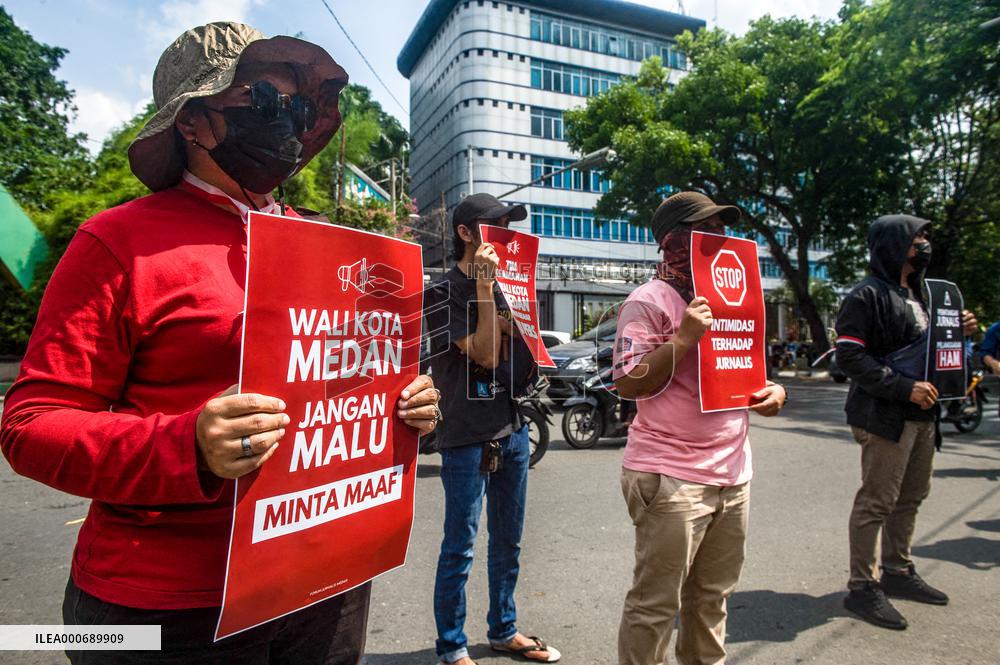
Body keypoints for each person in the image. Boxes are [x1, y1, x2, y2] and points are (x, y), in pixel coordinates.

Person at [0, 22, 440, 664]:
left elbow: (340, 386)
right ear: (192, 123)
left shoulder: (327, 249)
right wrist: (188, 445)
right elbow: (30, 425)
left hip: (323, 581)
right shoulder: (118, 243)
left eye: (300, 101)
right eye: (263, 96)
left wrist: (402, 405)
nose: (289, 114)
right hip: (165, 608)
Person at [612, 191, 787, 665]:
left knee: (712, 599)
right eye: (704, 230)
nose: (719, 239)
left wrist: (773, 392)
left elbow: (746, 373)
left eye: (721, 229)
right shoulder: (648, 301)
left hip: (734, 475)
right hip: (671, 476)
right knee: (656, 606)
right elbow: (627, 382)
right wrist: (684, 339)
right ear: (672, 242)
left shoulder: (734, 299)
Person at [424, 193, 560, 664]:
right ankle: (452, 645)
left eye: (509, 224)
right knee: (460, 545)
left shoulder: (509, 285)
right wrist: (484, 291)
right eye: (494, 224)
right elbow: (483, 353)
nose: (504, 232)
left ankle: (504, 629)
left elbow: (520, 352)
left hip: (512, 425)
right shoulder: (442, 292)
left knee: (508, 537)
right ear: (466, 233)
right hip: (466, 432)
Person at [834, 215, 977, 630]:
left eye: (926, 238)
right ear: (894, 245)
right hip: (884, 415)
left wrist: (959, 328)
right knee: (876, 502)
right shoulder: (866, 296)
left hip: (924, 416)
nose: (925, 244)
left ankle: (897, 572)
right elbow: (850, 356)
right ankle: (862, 587)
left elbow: (935, 350)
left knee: (911, 497)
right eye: (918, 238)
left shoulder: (925, 296)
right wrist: (901, 387)